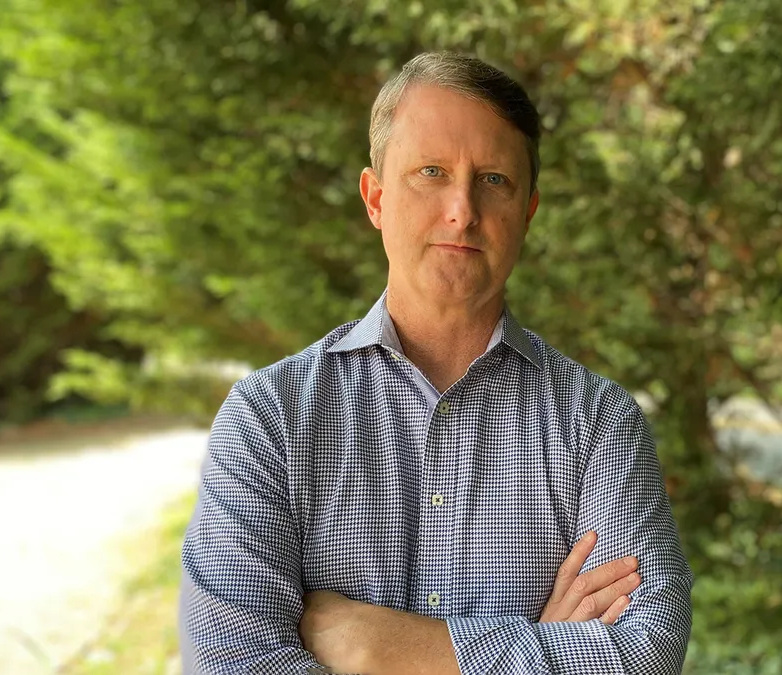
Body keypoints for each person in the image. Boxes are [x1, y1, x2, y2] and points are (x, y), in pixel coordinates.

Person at [178, 51, 694, 675]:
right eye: (431, 172)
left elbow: (648, 654)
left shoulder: (599, 422)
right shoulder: (269, 418)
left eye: (494, 180)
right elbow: (229, 663)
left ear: (527, 211)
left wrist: (380, 649)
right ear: (374, 198)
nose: (463, 210)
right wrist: (544, 646)